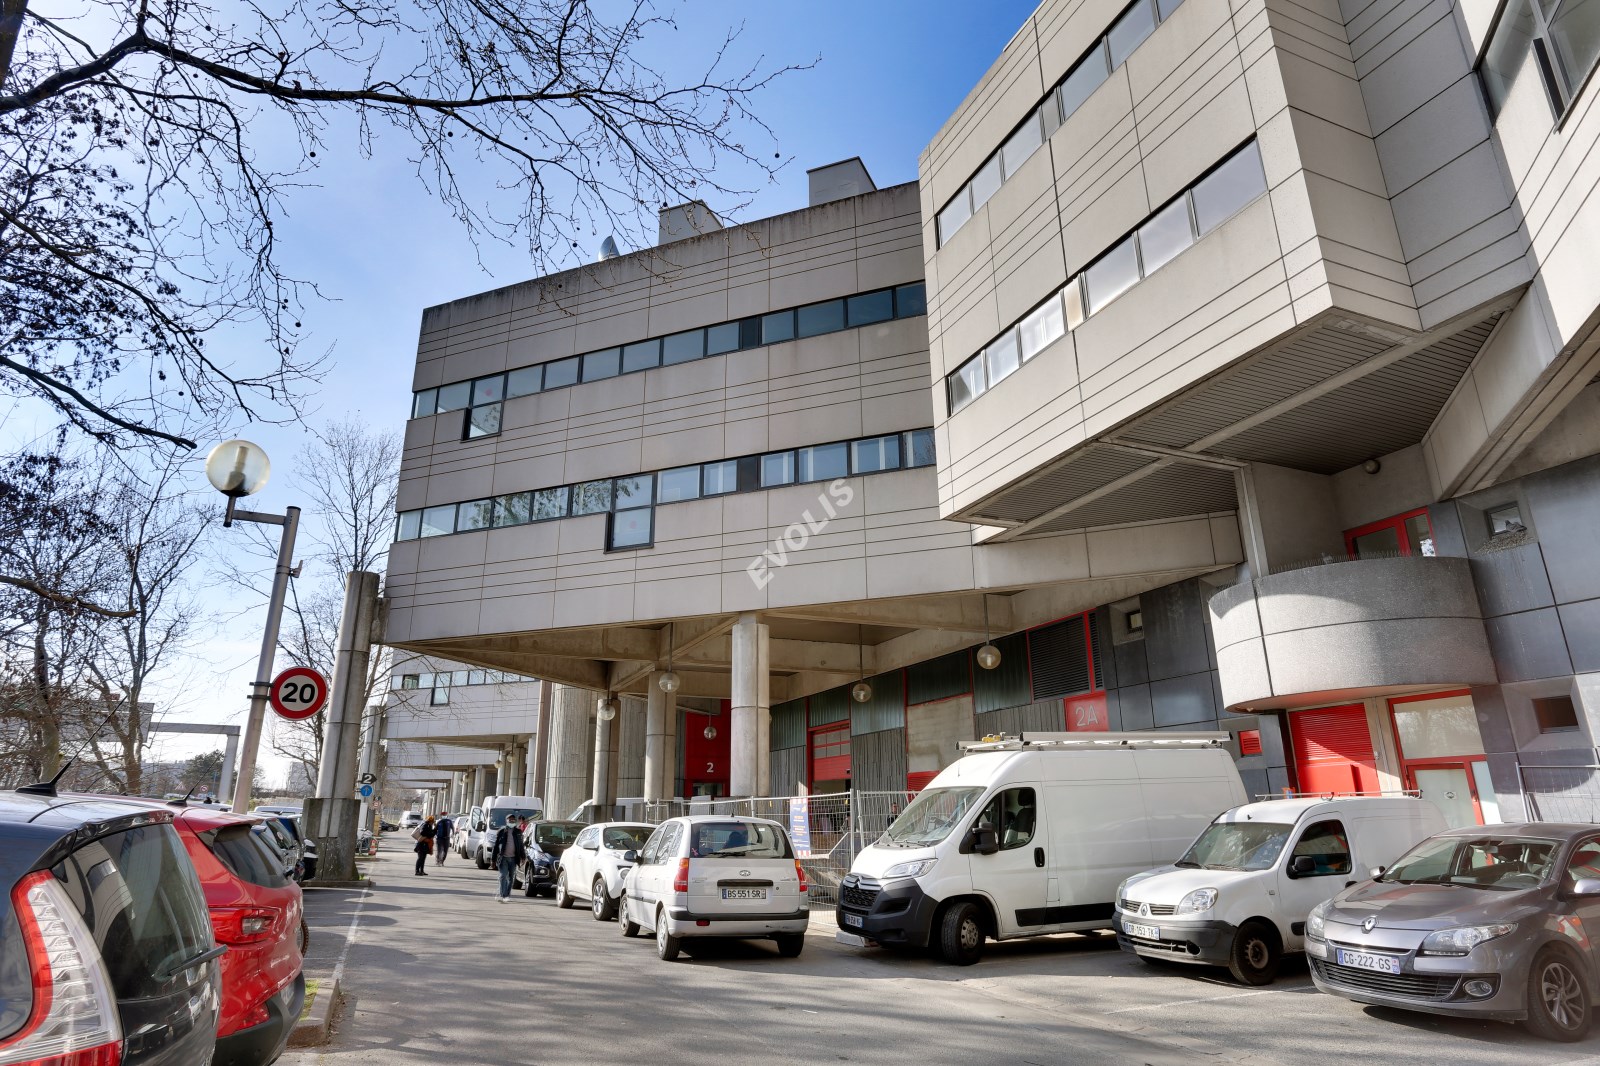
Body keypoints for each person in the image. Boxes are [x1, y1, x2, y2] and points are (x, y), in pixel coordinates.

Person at [490, 816, 526, 902]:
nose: (512, 821)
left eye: (513, 820)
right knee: (503, 876)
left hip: (513, 859)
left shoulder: (518, 832)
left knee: (511, 877)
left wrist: (523, 856)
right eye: (510, 820)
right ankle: (504, 895)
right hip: (503, 858)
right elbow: (495, 846)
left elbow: (520, 846)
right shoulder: (502, 831)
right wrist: (493, 859)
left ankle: (507, 894)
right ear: (506, 821)